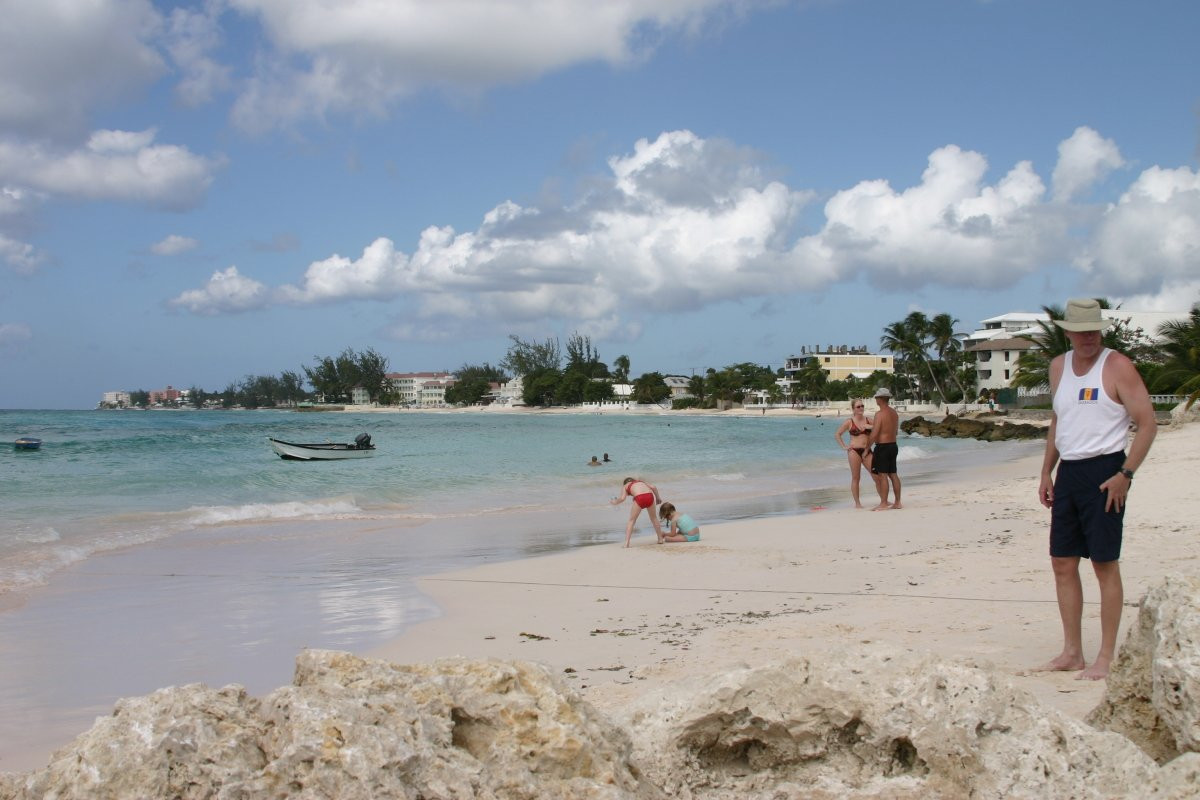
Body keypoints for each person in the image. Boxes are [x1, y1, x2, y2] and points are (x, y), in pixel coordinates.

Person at [1037, 298, 1157, 681]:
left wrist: (1126, 474)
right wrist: (1046, 472)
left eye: (1094, 330)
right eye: (1081, 331)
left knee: (1104, 564)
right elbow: (1059, 422)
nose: (1088, 337)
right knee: (1062, 562)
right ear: (1068, 333)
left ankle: (1105, 657)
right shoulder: (1058, 367)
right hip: (1069, 471)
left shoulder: (1118, 365)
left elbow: (1147, 423)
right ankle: (1072, 652)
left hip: (1106, 470)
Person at [834, 399, 879, 508]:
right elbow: (837, 434)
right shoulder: (849, 422)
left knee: (877, 476)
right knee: (856, 478)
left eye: (862, 406)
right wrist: (844, 446)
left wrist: (870, 427)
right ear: (853, 409)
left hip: (867, 451)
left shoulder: (868, 420)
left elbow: (880, 427)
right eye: (858, 406)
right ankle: (857, 503)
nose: (861, 408)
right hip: (854, 451)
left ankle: (884, 500)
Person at [867, 387, 901, 510]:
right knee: (893, 474)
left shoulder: (879, 414)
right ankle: (897, 502)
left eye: (876, 397)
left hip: (883, 447)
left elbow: (874, 433)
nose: (875, 399)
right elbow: (896, 432)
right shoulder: (894, 413)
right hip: (893, 445)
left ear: (881, 399)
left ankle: (883, 503)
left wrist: (866, 448)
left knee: (883, 475)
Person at [610, 477, 665, 547]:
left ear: (625, 483)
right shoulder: (641, 482)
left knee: (631, 521)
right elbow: (653, 487)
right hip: (650, 496)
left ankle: (626, 543)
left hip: (640, 498)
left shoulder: (625, 486)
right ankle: (660, 539)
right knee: (654, 518)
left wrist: (615, 502)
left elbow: (622, 498)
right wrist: (657, 497)